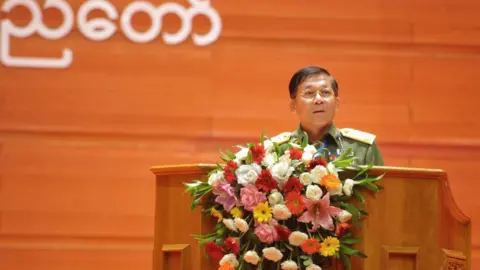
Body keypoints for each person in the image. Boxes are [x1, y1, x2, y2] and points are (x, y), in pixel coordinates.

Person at [274, 66, 384, 166]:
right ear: (293, 105)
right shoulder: (275, 150)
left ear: (337, 103)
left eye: (325, 92)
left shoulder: (362, 149)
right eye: (309, 93)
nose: (318, 100)